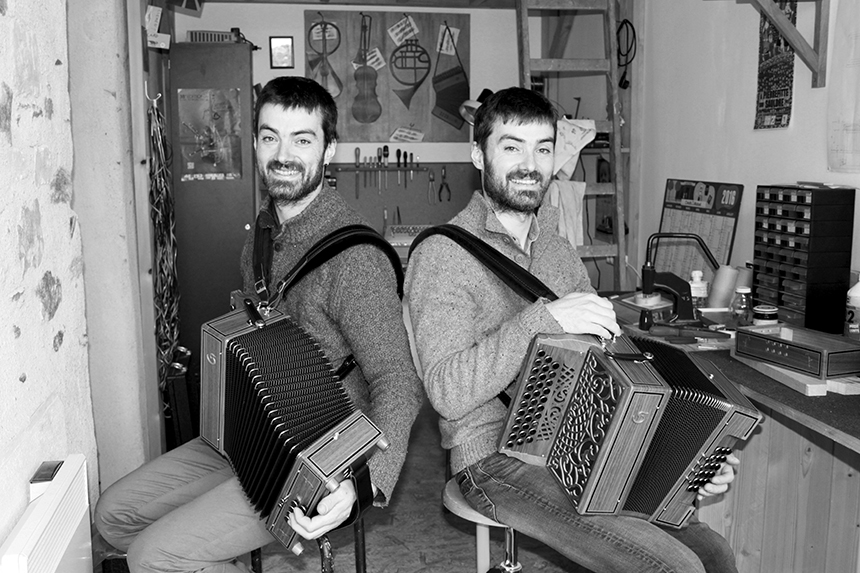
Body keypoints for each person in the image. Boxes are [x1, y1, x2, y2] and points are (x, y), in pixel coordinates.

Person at [404, 86, 740, 573]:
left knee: (714, 552)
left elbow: (614, 371)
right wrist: (545, 319)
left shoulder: (558, 252)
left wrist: (689, 459)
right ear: (478, 154)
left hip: (576, 445)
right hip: (494, 461)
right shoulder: (442, 254)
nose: (529, 163)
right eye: (511, 146)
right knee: (672, 568)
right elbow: (447, 392)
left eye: (543, 149)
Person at [95, 76, 424, 573]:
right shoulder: (262, 237)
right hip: (249, 437)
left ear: (329, 150)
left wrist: (362, 480)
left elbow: (398, 380)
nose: (283, 154)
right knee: (113, 516)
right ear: (254, 144)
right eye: (270, 137)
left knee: (151, 557)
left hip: (316, 459)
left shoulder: (355, 258)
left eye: (303, 139)